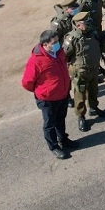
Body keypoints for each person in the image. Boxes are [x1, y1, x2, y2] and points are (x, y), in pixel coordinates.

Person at [22, 29, 77, 160]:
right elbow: (27, 82)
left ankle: (63, 139)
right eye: (54, 42)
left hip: (62, 94)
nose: (58, 44)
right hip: (47, 99)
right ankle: (54, 147)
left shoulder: (59, 52)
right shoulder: (36, 61)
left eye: (58, 40)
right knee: (49, 124)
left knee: (60, 120)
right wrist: (43, 91)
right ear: (45, 44)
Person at [63, 11, 105, 132]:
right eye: (86, 23)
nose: (89, 24)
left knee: (93, 90)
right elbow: (64, 56)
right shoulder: (72, 39)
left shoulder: (92, 33)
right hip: (80, 72)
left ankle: (94, 107)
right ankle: (81, 116)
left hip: (93, 69)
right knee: (80, 95)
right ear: (78, 25)